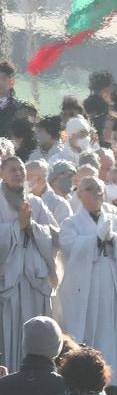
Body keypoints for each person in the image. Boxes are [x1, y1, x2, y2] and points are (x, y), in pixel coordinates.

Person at [58, 176, 117, 387]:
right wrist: (95, 240)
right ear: (79, 194)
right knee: (88, 332)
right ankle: (87, 380)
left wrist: (113, 239)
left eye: (99, 188)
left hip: (113, 285)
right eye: (89, 189)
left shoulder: (116, 218)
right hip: (86, 288)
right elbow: (68, 246)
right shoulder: (71, 223)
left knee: (112, 331)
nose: (96, 192)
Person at [0, 154, 60, 369]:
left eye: (21, 169)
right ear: (2, 174)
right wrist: (16, 227)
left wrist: (31, 226)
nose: (18, 173)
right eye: (12, 170)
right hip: (9, 280)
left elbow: (55, 237)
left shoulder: (35, 202)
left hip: (34, 279)